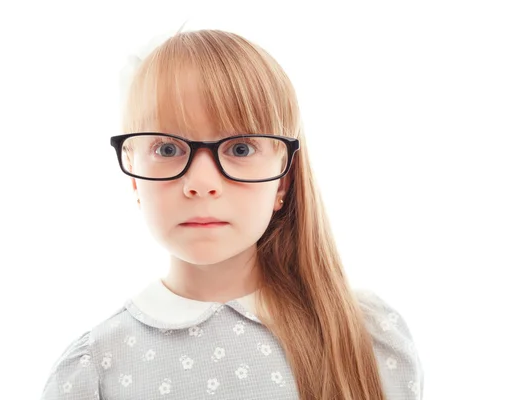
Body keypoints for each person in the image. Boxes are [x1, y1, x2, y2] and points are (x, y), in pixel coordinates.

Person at [39, 28, 424, 400]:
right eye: (167, 149)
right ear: (134, 177)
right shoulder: (94, 373)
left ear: (284, 181)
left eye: (240, 149)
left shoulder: (366, 337)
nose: (202, 183)